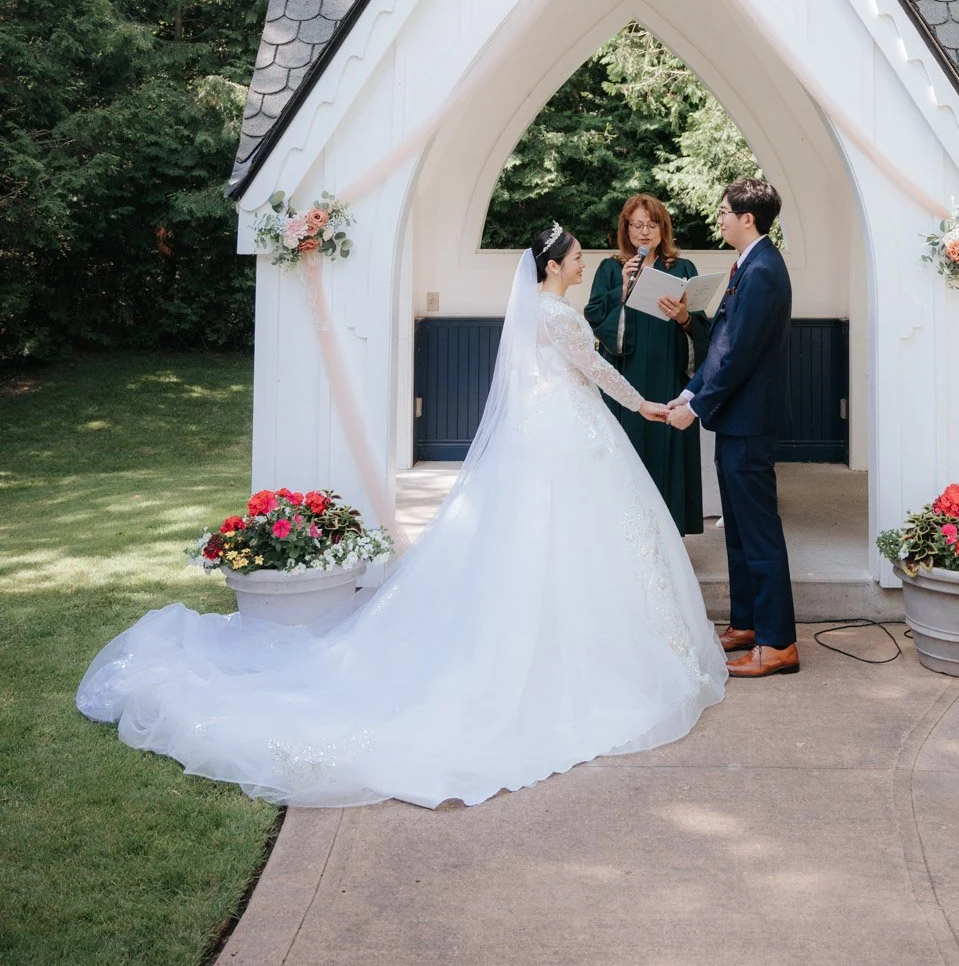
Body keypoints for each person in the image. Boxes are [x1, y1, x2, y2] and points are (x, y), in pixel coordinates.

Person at [77, 225, 726, 809]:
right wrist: (645, 406)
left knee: (552, 543)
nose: (584, 264)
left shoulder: (547, 312)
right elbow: (595, 371)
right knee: (571, 538)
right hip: (568, 434)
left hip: (553, 430)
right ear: (553, 266)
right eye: (577, 257)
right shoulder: (558, 317)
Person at [667, 178, 798, 678]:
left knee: (759, 532)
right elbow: (722, 341)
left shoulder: (764, 270)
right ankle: (746, 622)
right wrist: (688, 392)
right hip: (737, 419)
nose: (718, 217)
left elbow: (740, 353)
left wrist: (697, 408)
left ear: (748, 218)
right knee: (739, 531)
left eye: (725, 211)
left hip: (750, 421)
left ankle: (779, 642)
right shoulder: (749, 264)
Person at [583, 194, 711, 535]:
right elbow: (594, 316)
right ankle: (626, 539)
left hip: (670, 373)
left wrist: (684, 318)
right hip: (627, 378)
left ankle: (670, 536)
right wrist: (622, 289)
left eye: (652, 225)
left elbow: (700, 327)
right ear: (626, 228)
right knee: (627, 454)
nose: (644, 232)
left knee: (668, 452)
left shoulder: (683, 269)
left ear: (662, 228)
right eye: (637, 225)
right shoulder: (611, 268)